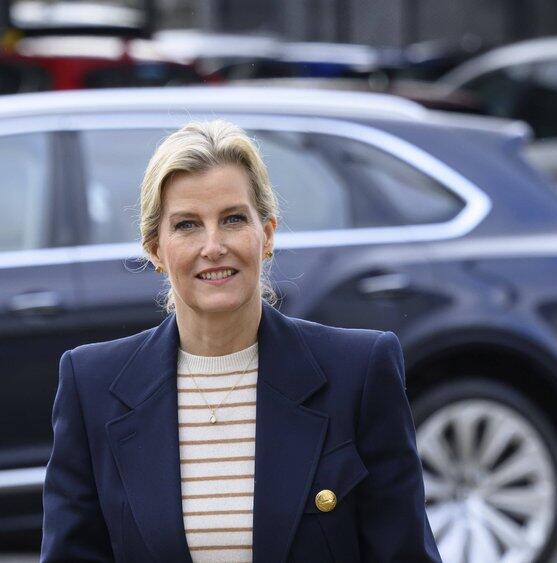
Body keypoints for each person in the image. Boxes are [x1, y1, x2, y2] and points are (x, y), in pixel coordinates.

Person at [41, 120, 441, 562]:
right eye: (187, 225)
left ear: (266, 234)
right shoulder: (91, 385)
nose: (213, 246)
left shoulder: (359, 372)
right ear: (155, 249)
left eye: (233, 219)